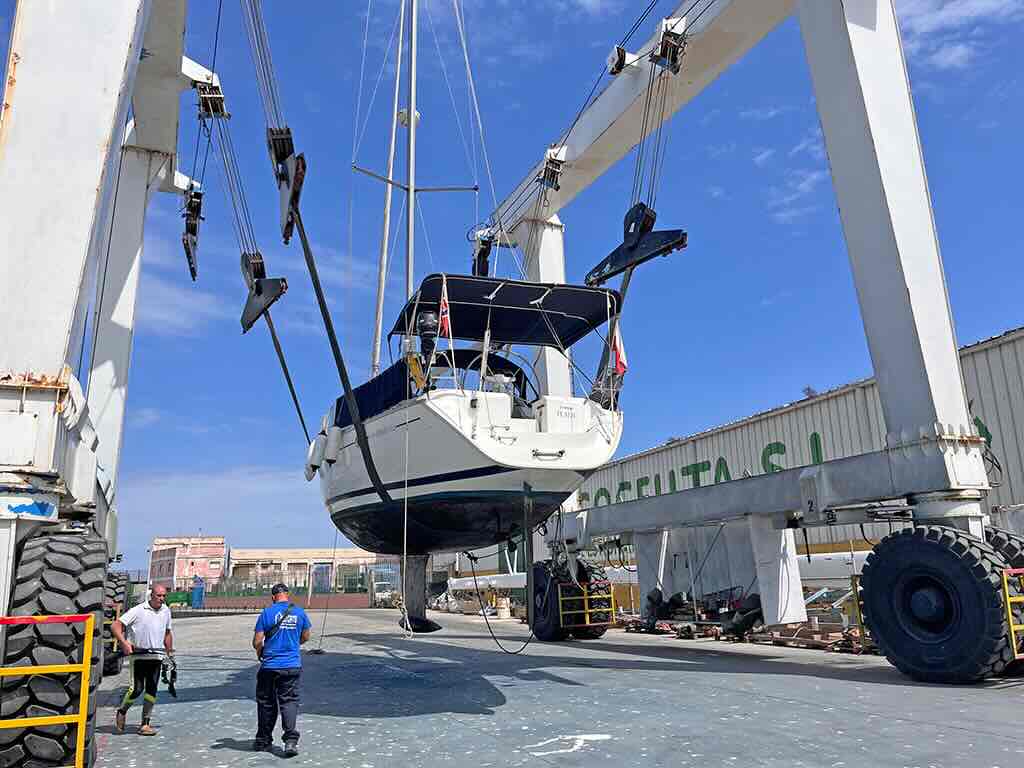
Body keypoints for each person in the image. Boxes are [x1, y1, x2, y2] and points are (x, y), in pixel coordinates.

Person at [252, 583, 311, 756]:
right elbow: (306, 636)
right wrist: (293, 645)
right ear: (287, 595)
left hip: (270, 666)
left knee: (266, 703)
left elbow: (257, 641)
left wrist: (260, 650)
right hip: (292, 665)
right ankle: (291, 741)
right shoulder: (299, 612)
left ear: (273, 597)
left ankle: (263, 740)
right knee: (289, 701)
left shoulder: (267, 613)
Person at [111, 584, 174, 736]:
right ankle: (122, 710)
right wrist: (124, 643)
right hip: (139, 657)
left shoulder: (166, 611)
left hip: (156, 657)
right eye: (159, 596)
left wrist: (169, 654)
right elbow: (115, 626)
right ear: (151, 595)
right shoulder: (138, 610)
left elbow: (167, 633)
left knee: (152, 690)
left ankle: (145, 724)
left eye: (164, 596)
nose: (162, 599)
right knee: (137, 689)